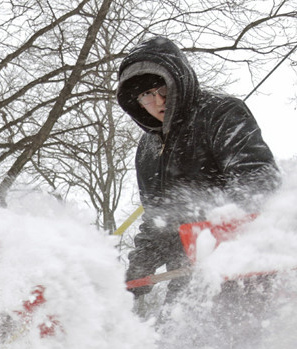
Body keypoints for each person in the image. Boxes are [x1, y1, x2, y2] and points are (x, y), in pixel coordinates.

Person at [116, 36, 280, 303]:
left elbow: (258, 180)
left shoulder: (220, 113)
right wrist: (138, 271)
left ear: (179, 82)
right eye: (146, 96)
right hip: (185, 284)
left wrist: (216, 237)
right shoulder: (147, 148)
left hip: (242, 275)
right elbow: (158, 219)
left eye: (163, 90)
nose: (158, 102)